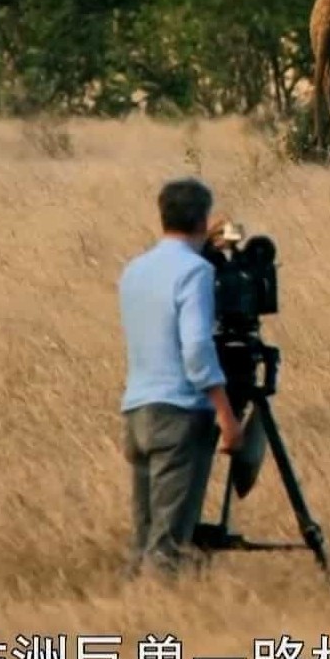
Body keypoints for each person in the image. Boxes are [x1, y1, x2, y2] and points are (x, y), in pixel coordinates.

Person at [117, 177, 244, 578]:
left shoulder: (134, 270)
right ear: (203, 218)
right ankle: (158, 623)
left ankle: (125, 617)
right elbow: (196, 350)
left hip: (138, 411)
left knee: (145, 538)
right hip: (179, 414)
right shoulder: (195, 272)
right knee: (168, 545)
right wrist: (225, 413)